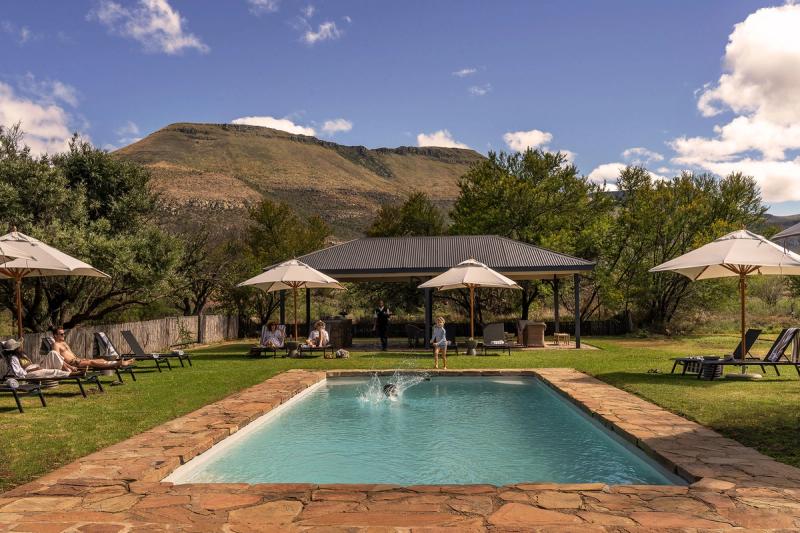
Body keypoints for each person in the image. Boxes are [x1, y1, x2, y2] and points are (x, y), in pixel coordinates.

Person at [51, 328, 135, 370]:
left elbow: (72, 355)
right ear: (55, 335)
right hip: (73, 364)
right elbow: (58, 359)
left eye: (64, 334)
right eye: (61, 334)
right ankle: (119, 363)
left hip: (77, 360)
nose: (63, 335)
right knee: (92, 362)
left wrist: (81, 359)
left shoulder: (64, 343)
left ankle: (119, 363)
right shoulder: (55, 345)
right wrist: (69, 368)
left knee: (101, 359)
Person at [1, 338, 71, 379]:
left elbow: (31, 364)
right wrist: (34, 369)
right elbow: (19, 374)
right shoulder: (14, 358)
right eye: (18, 346)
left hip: (37, 368)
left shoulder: (22, 355)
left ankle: (69, 370)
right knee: (52, 372)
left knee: (53, 353)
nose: (20, 347)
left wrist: (38, 366)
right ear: (14, 349)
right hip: (29, 373)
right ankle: (71, 374)